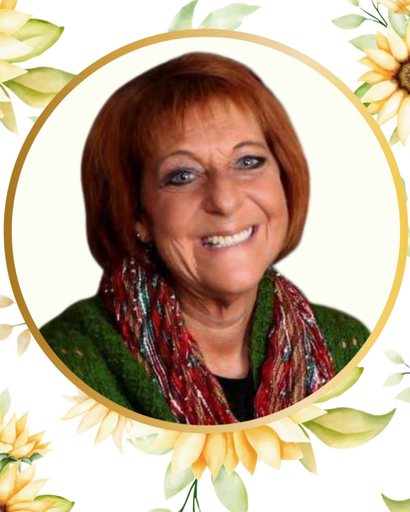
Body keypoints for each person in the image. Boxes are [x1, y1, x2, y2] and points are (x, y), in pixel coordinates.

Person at [40, 52, 369, 425]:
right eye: (182, 176)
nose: (225, 201)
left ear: (284, 181)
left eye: (248, 162)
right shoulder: (61, 365)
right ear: (136, 214)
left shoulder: (346, 344)